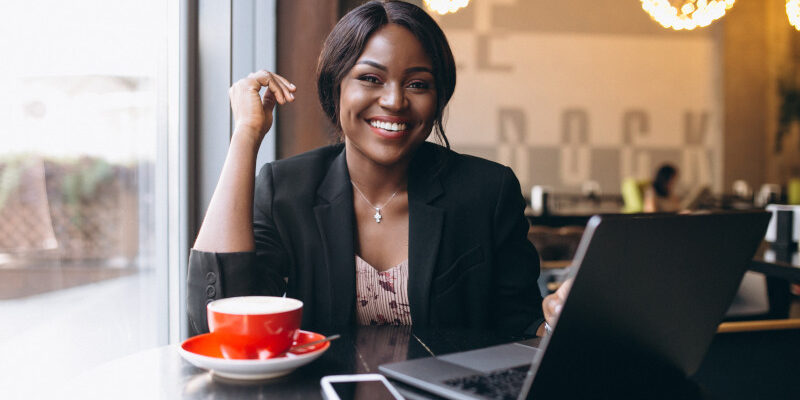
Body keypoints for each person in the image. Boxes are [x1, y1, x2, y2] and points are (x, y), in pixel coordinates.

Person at [188, 0, 556, 337]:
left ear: (438, 99)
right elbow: (217, 317)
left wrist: (559, 318)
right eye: (370, 78)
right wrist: (246, 135)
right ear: (336, 87)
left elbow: (520, 325)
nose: (395, 100)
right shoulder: (286, 189)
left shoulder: (487, 191)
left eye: (417, 84)